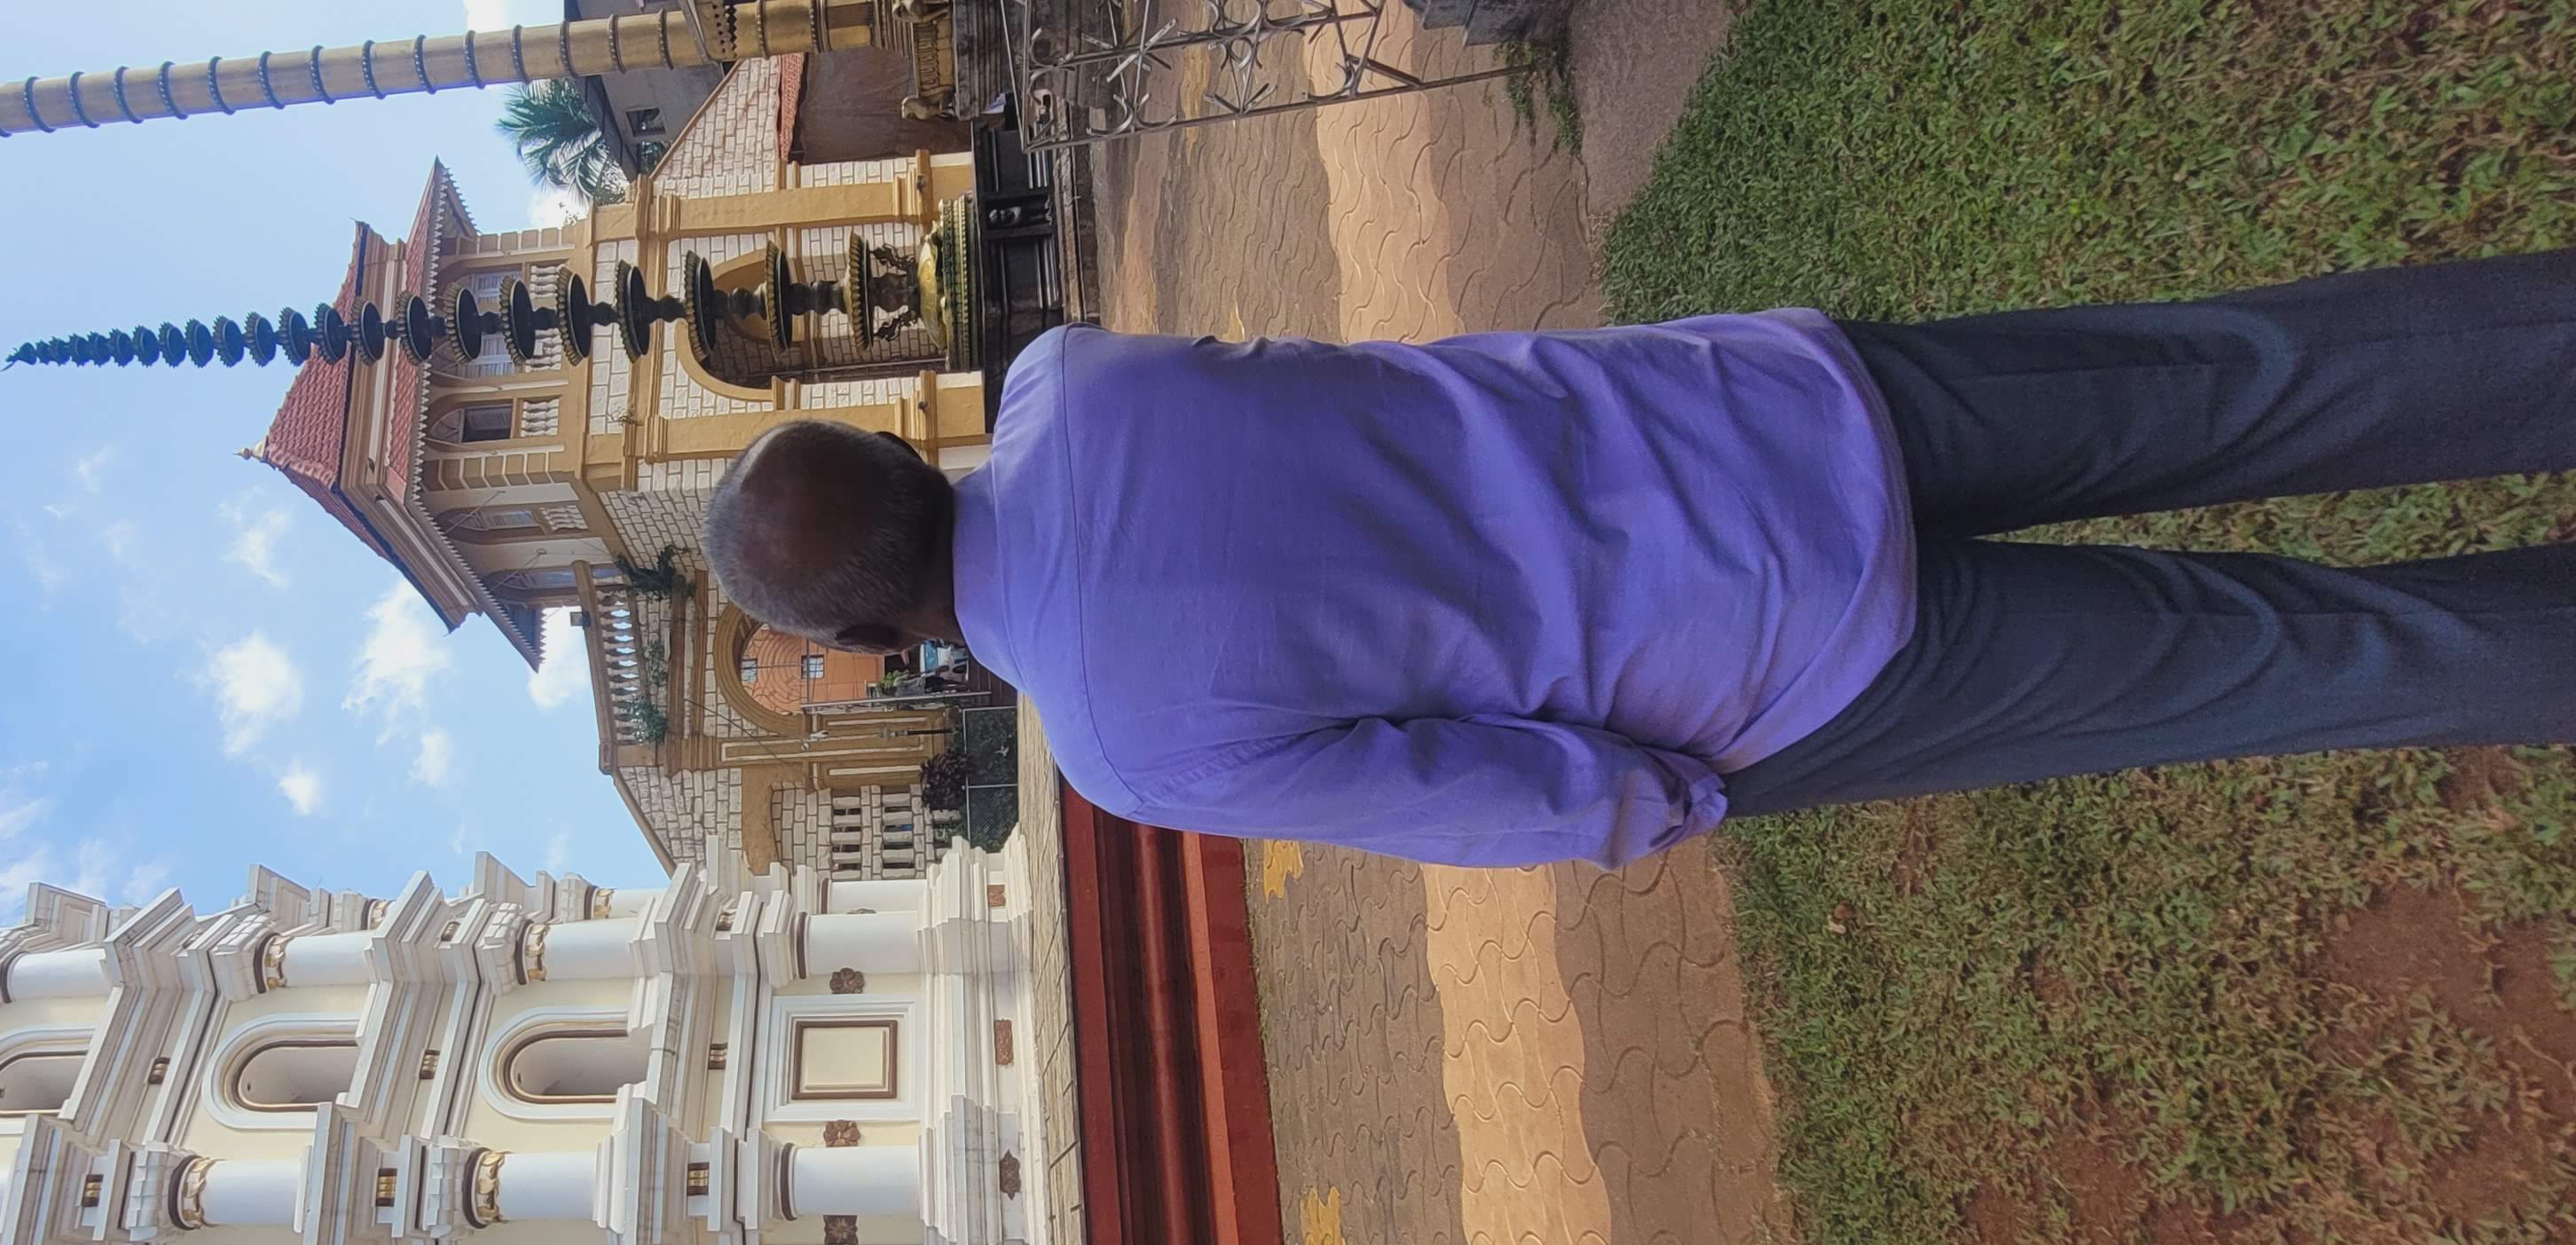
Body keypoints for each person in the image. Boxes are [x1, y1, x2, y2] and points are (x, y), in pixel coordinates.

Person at [697, 252, 2576, 869]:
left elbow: (1493, 794)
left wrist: (1675, 798)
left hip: (1785, 668)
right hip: (1780, 419)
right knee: (2259, 381)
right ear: (890, 440)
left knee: (2313, 659)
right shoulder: (1071, 382)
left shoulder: (1121, 752)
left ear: (864, 639)